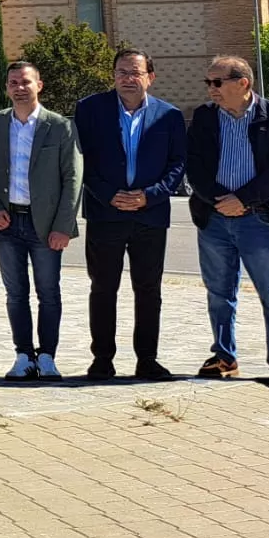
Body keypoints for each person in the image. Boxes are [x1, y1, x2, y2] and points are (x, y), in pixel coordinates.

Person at [189, 55, 269, 388]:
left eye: (218, 82)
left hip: (260, 219)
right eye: (208, 83)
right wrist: (220, 201)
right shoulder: (205, 117)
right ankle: (225, 356)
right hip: (215, 219)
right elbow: (195, 166)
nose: (212, 90)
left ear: (243, 83)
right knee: (219, 293)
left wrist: (244, 200)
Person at [75, 50, 187, 382]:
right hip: (105, 214)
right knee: (103, 288)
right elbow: (83, 160)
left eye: (135, 72)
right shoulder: (90, 109)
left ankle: (147, 360)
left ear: (150, 77)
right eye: (121, 72)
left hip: (149, 217)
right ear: (113, 76)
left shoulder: (170, 116)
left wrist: (148, 196)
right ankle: (102, 360)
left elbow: (177, 164)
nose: (127, 78)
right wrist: (109, 194)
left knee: (149, 290)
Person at [0, 61, 82, 381]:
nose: (19, 87)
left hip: (46, 226)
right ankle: (24, 355)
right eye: (13, 82)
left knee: (48, 292)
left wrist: (63, 226)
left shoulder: (59, 126)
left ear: (39, 85)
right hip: (8, 223)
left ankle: (48, 356)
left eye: (26, 82)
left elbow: (73, 178)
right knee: (15, 294)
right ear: (7, 88)